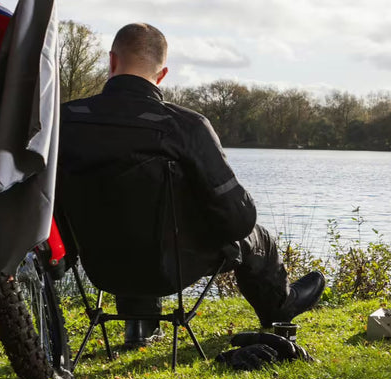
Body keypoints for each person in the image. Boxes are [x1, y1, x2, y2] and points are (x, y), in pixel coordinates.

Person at [57, 23, 324, 349]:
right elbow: (238, 220)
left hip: (100, 267)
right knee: (259, 237)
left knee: (128, 223)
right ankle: (281, 307)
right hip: (168, 270)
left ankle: (140, 328)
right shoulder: (185, 126)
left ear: (112, 61)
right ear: (163, 73)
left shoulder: (64, 121)